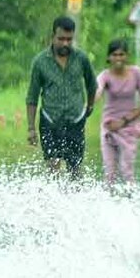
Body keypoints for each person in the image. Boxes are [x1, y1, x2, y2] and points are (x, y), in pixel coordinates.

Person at [25, 16, 98, 181]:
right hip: (50, 120)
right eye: (61, 39)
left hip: (75, 120)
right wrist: (31, 128)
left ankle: (75, 201)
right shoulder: (40, 62)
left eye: (69, 39)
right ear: (53, 37)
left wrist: (90, 106)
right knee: (53, 166)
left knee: (75, 168)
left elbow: (92, 85)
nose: (65, 43)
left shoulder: (81, 59)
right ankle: (54, 202)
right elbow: (32, 96)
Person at [94, 39, 140, 188]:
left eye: (121, 54)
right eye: (114, 55)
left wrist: (124, 121)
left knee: (127, 170)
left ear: (126, 56)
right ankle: (109, 203)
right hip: (109, 127)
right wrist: (92, 98)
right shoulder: (105, 76)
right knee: (110, 172)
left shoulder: (136, 73)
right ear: (109, 57)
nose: (118, 58)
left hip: (129, 128)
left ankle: (130, 202)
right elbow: (97, 91)